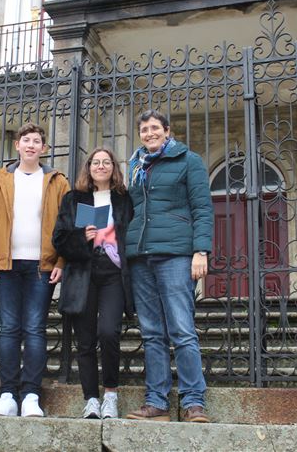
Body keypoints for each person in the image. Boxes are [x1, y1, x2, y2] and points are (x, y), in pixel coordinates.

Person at [124, 109, 213, 423]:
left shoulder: (189, 161)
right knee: (151, 333)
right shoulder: (136, 166)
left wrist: (200, 250)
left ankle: (193, 403)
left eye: (154, 128)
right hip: (141, 257)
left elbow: (202, 208)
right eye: (144, 129)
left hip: (175, 254)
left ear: (167, 130)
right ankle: (156, 402)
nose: (149, 134)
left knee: (182, 331)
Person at [0, 122, 70, 417]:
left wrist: (60, 262)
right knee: (9, 330)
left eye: (36, 141)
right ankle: (7, 395)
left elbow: (68, 227)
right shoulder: (0, 179)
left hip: (42, 268)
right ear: (16, 145)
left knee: (34, 329)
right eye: (25, 140)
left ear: (44, 149)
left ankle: (30, 395)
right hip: (6, 265)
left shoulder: (58, 181)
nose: (30, 145)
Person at [52, 148, 134, 420]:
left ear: (113, 167)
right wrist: (81, 237)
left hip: (113, 273)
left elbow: (132, 237)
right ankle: (91, 400)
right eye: (96, 162)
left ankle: (110, 394)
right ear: (89, 167)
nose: (101, 166)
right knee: (85, 341)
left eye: (106, 162)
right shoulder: (75, 199)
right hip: (83, 273)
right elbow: (59, 239)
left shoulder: (123, 200)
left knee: (109, 332)